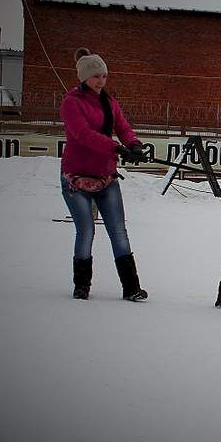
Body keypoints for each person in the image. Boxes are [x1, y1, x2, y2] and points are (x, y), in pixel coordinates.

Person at [60, 47, 148, 302]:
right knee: (86, 230)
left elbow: (123, 127)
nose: (101, 81)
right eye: (96, 76)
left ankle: (131, 288)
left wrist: (134, 144)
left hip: (106, 176)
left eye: (104, 76)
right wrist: (115, 147)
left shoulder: (109, 102)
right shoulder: (71, 103)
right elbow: (82, 135)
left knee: (118, 231)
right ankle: (82, 286)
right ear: (84, 77)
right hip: (76, 176)